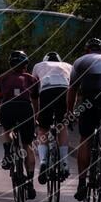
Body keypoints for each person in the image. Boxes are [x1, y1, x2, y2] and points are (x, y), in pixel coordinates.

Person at [67, 38, 101, 202]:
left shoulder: (80, 61)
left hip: (90, 94)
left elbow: (73, 90)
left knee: (85, 139)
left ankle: (82, 183)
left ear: (86, 50)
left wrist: (70, 112)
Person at [0, 50, 39, 200]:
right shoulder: (32, 79)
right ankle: (30, 183)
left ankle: (7, 154)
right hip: (25, 109)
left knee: (7, 129)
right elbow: (36, 102)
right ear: (25, 65)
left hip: (8, 109)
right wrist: (35, 118)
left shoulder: (2, 79)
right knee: (28, 144)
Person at [31, 52, 72, 185]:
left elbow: (34, 91)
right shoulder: (68, 66)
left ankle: (43, 161)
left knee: (43, 128)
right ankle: (64, 162)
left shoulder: (38, 66)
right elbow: (74, 89)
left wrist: (37, 113)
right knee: (62, 125)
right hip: (64, 90)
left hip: (46, 91)